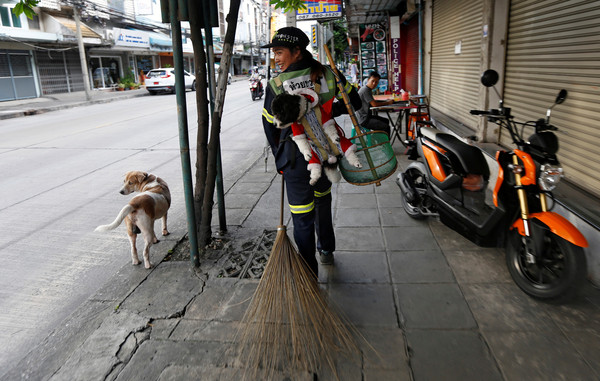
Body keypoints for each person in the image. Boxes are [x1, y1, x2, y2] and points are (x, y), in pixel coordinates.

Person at [261, 27, 361, 276]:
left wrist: (279, 158)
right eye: (274, 52)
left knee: (302, 217)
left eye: (279, 52)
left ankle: (309, 274)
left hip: (297, 161)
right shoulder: (328, 75)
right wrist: (326, 112)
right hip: (326, 153)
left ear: (297, 52)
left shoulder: (276, 84)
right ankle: (326, 250)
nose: (275, 57)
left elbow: (270, 126)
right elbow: (355, 103)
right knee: (323, 202)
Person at [356, 71, 393, 136]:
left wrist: (386, 102)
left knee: (386, 121)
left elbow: (373, 102)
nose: (374, 83)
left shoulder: (368, 89)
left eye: (376, 82)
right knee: (386, 127)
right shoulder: (365, 90)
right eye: (372, 81)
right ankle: (384, 144)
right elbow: (374, 104)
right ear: (368, 80)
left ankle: (377, 139)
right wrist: (387, 103)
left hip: (366, 117)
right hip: (364, 120)